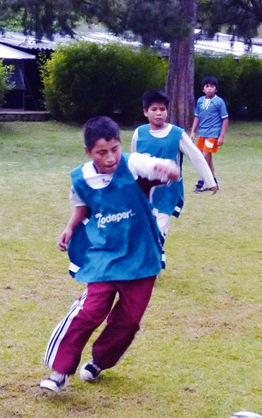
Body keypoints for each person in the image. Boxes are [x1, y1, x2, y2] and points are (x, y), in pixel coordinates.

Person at [40, 116, 181, 393]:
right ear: (88, 152)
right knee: (89, 311)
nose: (110, 157)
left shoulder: (132, 164)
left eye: (114, 149)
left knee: (128, 322)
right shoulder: (81, 178)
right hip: (105, 254)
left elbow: (157, 166)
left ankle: (100, 361)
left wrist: (166, 168)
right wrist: (69, 228)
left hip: (142, 257)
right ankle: (60, 370)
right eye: (101, 152)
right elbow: (83, 206)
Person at [131, 90, 218, 240]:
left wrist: (209, 181)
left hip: (167, 194)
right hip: (144, 195)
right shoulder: (139, 133)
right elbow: (133, 162)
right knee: (143, 235)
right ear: (145, 112)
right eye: (154, 109)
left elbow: (196, 157)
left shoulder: (177, 134)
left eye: (162, 109)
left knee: (158, 235)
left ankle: (155, 259)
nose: (158, 113)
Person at [190, 75, 229, 191]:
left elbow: (225, 119)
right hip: (202, 133)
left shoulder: (219, 102)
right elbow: (197, 117)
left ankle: (202, 181)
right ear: (203, 89)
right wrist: (193, 132)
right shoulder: (200, 101)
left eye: (212, 86)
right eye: (207, 86)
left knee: (203, 157)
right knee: (208, 158)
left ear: (216, 89)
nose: (210, 89)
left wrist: (221, 136)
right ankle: (214, 181)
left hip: (213, 134)